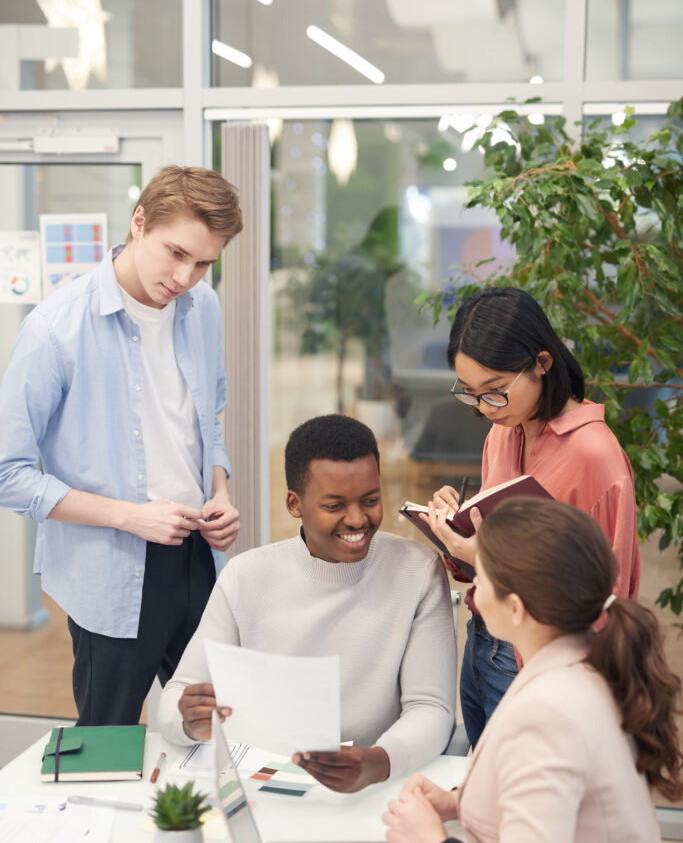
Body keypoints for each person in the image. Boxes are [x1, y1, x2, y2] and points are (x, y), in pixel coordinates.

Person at [0, 165, 243, 726]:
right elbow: (9, 473)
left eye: (204, 262)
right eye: (176, 253)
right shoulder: (55, 329)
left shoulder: (203, 308)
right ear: (139, 223)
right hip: (108, 570)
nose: (186, 276)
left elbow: (207, 418)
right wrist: (130, 518)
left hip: (198, 555)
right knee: (108, 747)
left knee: (213, 732)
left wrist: (221, 489)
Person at [383, 498, 683, 843]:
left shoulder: (551, 710)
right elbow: (559, 796)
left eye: (479, 577)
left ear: (517, 608)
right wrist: (455, 803)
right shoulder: (583, 664)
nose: (472, 592)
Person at [158, 414, 457, 793]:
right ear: (294, 504)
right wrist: (189, 720)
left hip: (378, 783)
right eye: (335, 505)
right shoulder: (245, 577)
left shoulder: (417, 570)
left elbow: (432, 708)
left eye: (370, 500)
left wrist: (379, 762)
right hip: (265, 782)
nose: (357, 519)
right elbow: (175, 696)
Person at [425, 286, 639, 747]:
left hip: (543, 664)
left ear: (542, 362)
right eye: (471, 393)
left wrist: (491, 559)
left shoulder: (595, 456)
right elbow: (478, 563)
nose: (483, 408)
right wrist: (453, 536)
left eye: (495, 392)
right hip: (482, 642)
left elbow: (611, 598)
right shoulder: (502, 436)